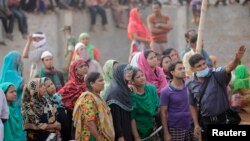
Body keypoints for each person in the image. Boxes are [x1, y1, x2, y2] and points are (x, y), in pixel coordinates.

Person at [187, 45, 246, 141]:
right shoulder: (190, 84)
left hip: (223, 120)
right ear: (193, 69)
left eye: (204, 64)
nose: (203, 67)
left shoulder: (216, 74)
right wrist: (196, 124)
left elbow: (228, 68)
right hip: (205, 122)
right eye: (199, 66)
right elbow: (192, 105)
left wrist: (236, 59)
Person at [73, 72, 115, 141]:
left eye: (103, 80)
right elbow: (90, 121)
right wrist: (98, 138)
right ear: (92, 84)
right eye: (100, 81)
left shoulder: (97, 97)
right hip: (91, 137)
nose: (103, 83)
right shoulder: (88, 98)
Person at [160, 61, 193, 141]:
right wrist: (166, 133)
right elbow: (163, 113)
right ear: (172, 72)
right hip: (175, 128)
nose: (183, 70)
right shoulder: (166, 91)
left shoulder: (189, 86)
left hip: (190, 126)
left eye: (183, 68)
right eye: (179, 69)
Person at [58, 59, 89, 138]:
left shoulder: (86, 83)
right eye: (81, 66)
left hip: (84, 116)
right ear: (75, 70)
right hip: (70, 117)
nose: (85, 68)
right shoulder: (70, 85)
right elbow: (57, 97)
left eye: (85, 65)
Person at [0, 51, 26, 140]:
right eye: (19, 60)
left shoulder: (10, 72)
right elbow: (21, 85)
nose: (21, 62)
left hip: (15, 105)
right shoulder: (9, 73)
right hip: (10, 105)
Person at [105, 64, 134, 141]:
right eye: (126, 71)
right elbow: (115, 117)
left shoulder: (124, 88)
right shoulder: (115, 91)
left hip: (126, 126)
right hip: (120, 132)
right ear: (119, 73)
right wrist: (120, 136)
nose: (129, 73)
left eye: (130, 70)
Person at [130, 67, 159, 140]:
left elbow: (157, 107)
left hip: (154, 127)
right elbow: (132, 118)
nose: (142, 78)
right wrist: (137, 137)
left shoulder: (151, 89)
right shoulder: (132, 96)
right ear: (132, 81)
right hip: (140, 131)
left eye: (142, 75)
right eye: (138, 77)